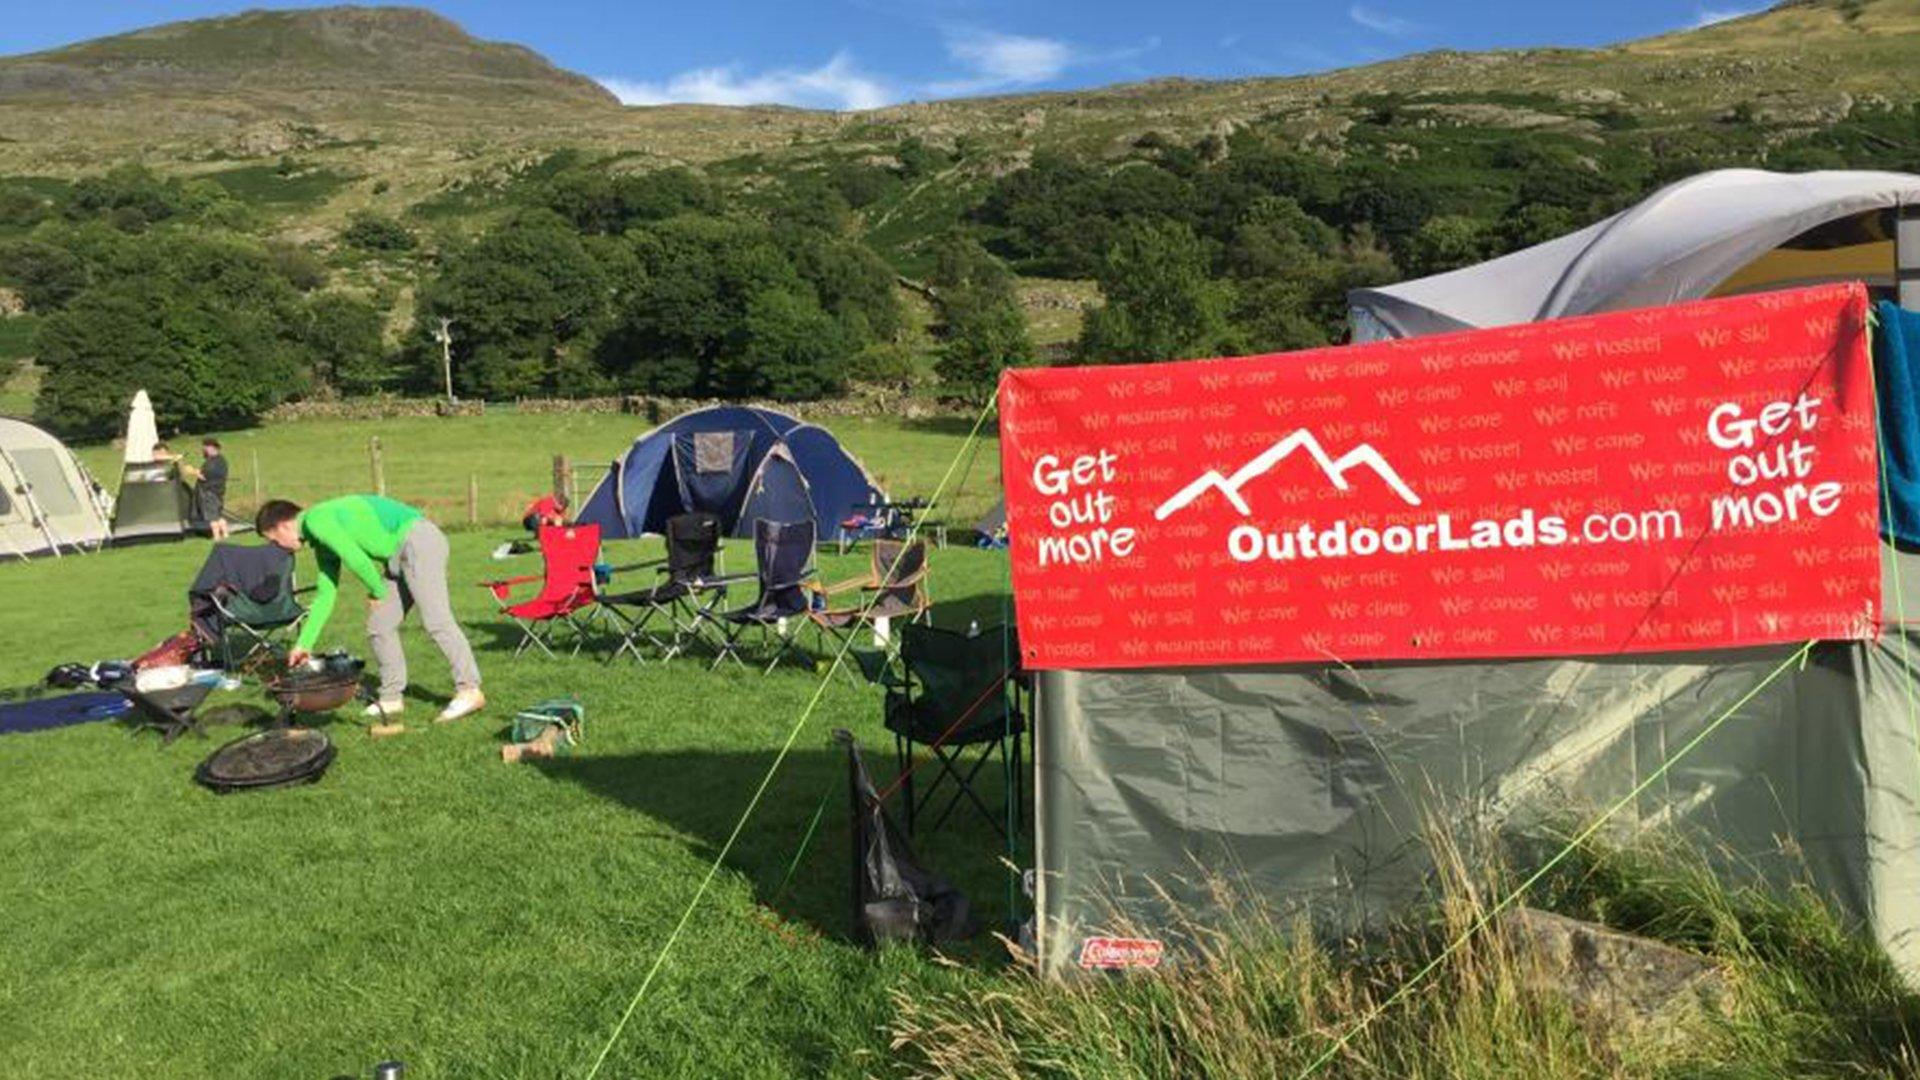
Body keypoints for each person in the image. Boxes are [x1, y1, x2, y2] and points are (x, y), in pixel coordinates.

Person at [256, 496, 484, 733]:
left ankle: (469, 689)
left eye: (274, 540)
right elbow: (326, 594)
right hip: (397, 555)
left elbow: (355, 557)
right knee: (380, 625)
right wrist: (304, 644)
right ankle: (391, 697)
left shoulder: (316, 520)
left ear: (283, 526)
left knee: (437, 620)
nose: (278, 546)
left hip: (418, 541)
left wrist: (376, 590)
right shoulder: (320, 538)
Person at [184, 438, 230, 540]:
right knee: (218, 516)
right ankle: (226, 534)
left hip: (209, 493)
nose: (203, 451)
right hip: (218, 492)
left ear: (211, 447)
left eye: (205, 448)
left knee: (212, 518)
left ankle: (216, 536)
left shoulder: (213, 462)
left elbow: (204, 476)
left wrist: (192, 471)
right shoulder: (221, 460)